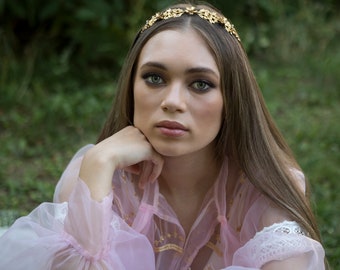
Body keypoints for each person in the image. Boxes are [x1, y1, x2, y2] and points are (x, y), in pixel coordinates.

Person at [0, 2, 326, 270]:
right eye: (155, 78)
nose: (172, 101)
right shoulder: (96, 177)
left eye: (200, 84)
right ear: (131, 86)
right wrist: (99, 161)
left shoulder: (266, 186)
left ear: (232, 99)